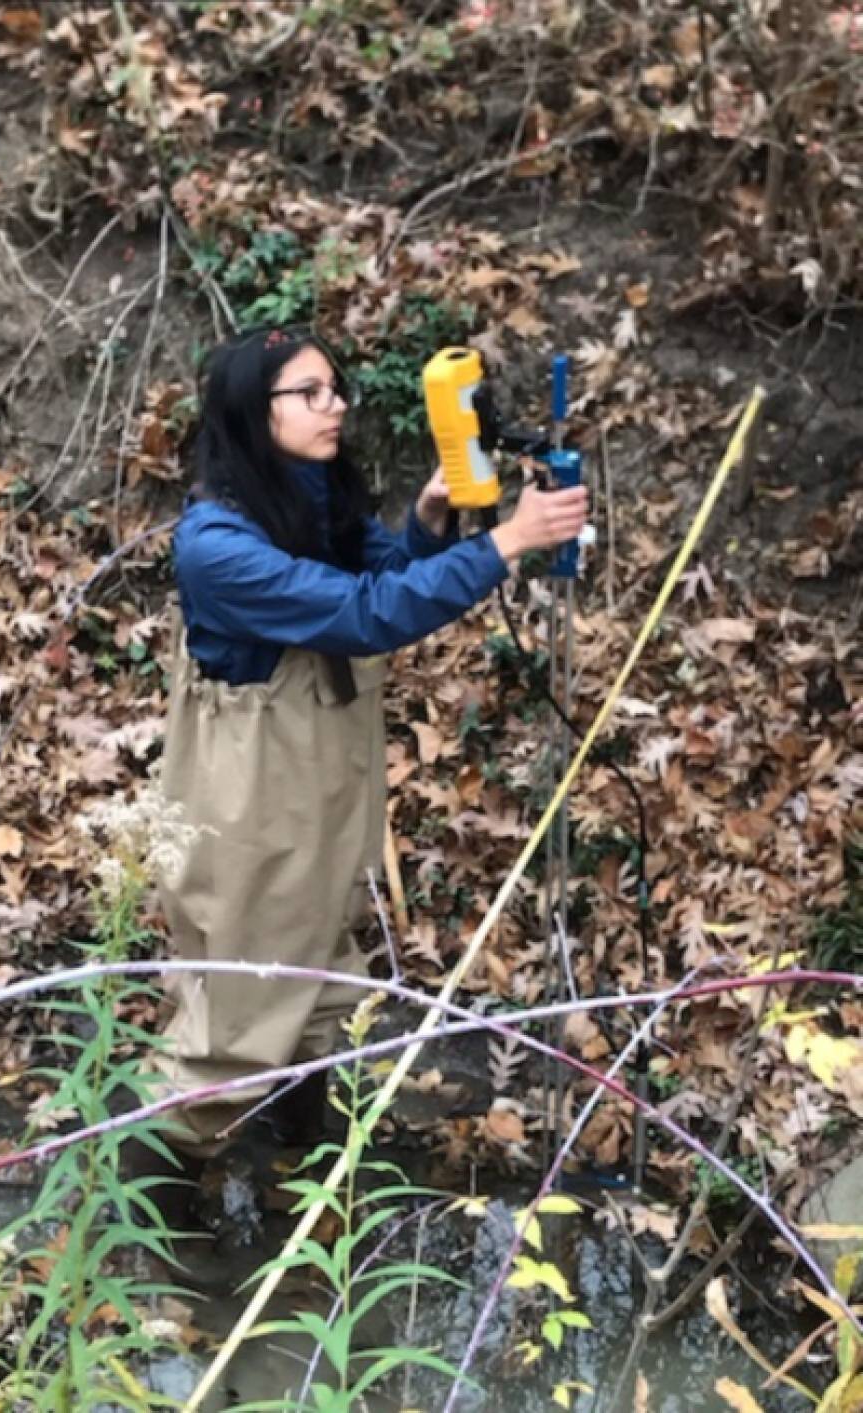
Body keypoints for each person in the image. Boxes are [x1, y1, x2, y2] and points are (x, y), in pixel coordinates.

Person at [148, 324, 587, 1182]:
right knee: (239, 1000)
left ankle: (295, 1177)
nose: (336, 405)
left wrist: (428, 523)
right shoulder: (215, 545)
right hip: (249, 801)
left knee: (319, 979)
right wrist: (503, 543)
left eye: (335, 388)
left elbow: (380, 571)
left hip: (321, 785)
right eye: (310, 393)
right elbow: (361, 614)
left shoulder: (304, 491)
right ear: (253, 410)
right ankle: (169, 1216)